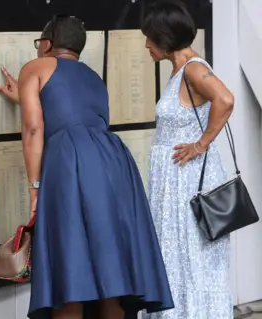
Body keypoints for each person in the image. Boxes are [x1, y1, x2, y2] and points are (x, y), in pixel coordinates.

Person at [0, 15, 174, 319]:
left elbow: (35, 128)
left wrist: (35, 187)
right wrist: (23, 96)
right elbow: (72, 111)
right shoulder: (93, 77)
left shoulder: (35, 67)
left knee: (70, 271)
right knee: (111, 269)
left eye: (40, 44)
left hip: (69, 162)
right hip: (114, 164)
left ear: (48, 44)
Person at [140, 1, 234, 318]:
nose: (146, 45)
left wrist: (200, 144)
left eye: (149, 37)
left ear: (164, 37)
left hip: (187, 180)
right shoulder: (180, 71)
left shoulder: (194, 68)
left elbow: (225, 98)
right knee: (178, 257)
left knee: (191, 256)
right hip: (174, 182)